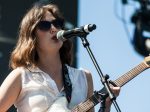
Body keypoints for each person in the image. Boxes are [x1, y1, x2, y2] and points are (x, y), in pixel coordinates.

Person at [0, 3, 120, 112]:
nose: (53, 29)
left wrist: (107, 105)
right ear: (32, 36)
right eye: (44, 25)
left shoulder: (83, 77)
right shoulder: (22, 76)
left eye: (57, 24)